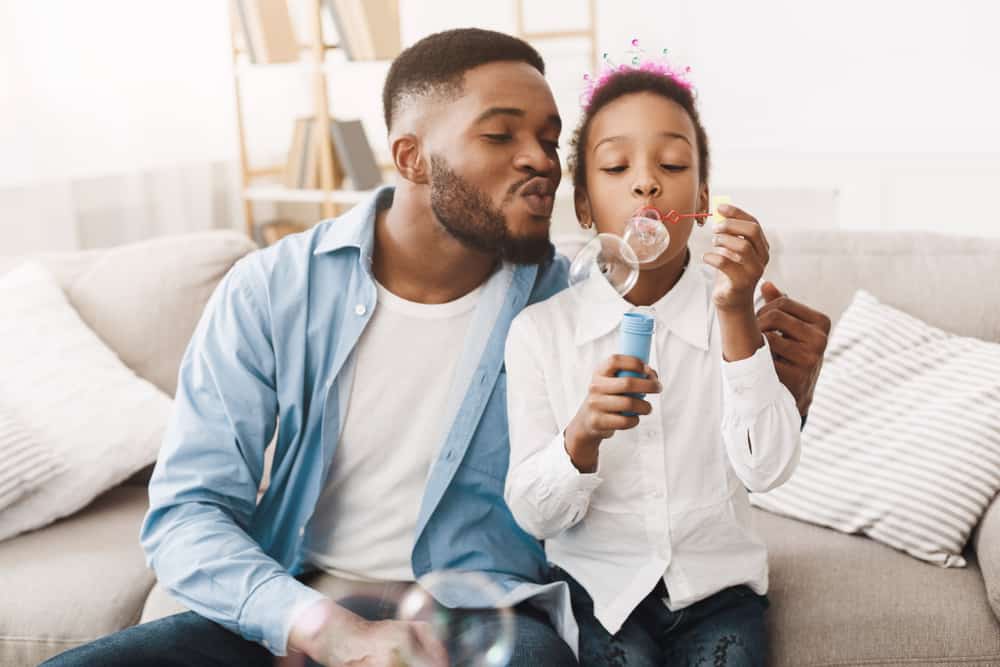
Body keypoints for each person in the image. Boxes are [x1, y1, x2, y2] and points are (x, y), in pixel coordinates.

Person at [43, 28, 831, 667]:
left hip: (477, 617)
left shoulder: (574, 302)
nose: (538, 159)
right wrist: (312, 624)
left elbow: (693, 420)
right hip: (302, 600)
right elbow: (186, 513)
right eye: (501, 134)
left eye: (550, 139)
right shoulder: (271, 291)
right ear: (413, 156)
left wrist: (780, 377)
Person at [503, 61, 811, 666]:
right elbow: (532, 513)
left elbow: (767, 469)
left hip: (719, 594)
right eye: (618, 167)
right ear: (586, 206)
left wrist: (736, 313)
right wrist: (581, 437)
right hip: (601, 595)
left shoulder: (735, 309)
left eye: (671, 165)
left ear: (700, 201)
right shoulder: (542, 332)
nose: (646, 183)